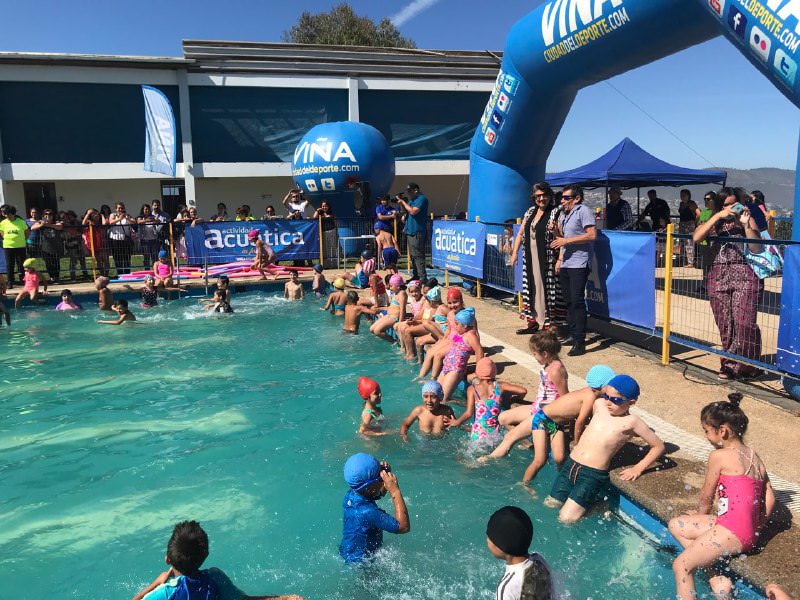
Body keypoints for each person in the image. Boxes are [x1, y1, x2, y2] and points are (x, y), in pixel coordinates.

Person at [669, 393, 775, 599]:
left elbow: (706, 496)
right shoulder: (754, 456)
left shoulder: (719, 456)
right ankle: (718, 580)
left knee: (681, 565)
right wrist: (758, 524)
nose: (706, 436)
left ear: (723, 431)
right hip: (745, 531)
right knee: (676, 524)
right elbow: (770, 495)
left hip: (730, 531)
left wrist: (700, 513)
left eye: (707, 431)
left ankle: (713, 574)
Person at [544, 374, 665, 523]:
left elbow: (658, 446)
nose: (608, 402)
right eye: (607, 396)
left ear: (631, 402)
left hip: (592, 474)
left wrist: (638, 468)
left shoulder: (632, 422)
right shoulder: (599, 404)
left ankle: (600, 505)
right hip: (571, 464)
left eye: (615, 400)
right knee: (550, 505)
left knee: (566, 519)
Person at [132, 520, 303, 600]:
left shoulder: (165, 593)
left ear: (167, 559)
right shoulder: (215, 577)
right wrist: (284, 598)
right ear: (205, 555)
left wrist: (155, 584)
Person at [693, 187, 764, 380]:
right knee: (725, 323)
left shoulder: (747, 218)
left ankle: (750, 366)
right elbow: (697, 237)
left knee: (744, 322)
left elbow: (757, 247)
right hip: (718, 275)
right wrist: (717, 217)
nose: (731, 207)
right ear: (719, 206)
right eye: (726, 204)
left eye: (735, 203)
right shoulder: (712, 220)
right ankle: (729, 364)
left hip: (745, 274)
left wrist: (746, 225)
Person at [486, 331, 568, 461]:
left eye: (534, 354)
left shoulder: (556, 371)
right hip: (538, 408)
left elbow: (565, 398)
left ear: (545, 354)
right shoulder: (548, 364)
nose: (534, 357)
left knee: (511, 436)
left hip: (548, 415)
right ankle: (529, 443)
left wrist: (564, 421)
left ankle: (488, 459)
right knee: (503, 418)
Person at [511, 183, 566, 335]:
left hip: (547, 259)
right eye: (538, 196)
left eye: (544, 195)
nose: (541, 199)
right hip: (529, 258)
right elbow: (521, 233)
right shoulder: (530, 212)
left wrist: (560, 258)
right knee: (531, 288)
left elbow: (561, 237)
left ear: (549, 195)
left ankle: (549, 324)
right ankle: (532, 322)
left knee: (547, 290)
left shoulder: (556, 213)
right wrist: (515, 253)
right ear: (534, 197)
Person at [551, 184, 597, 356]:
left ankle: (580, 341)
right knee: (569, 301)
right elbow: (562, 237)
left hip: (579, 263)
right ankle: (572, 333)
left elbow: (592, 235)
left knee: (577, 302)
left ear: (576, 198)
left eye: (566, 198)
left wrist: (566, 241)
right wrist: (555, 231)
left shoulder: (583, 211)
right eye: (562, 198)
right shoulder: (565, 214)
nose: (562, 201)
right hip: (566, 263)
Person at [339, 453, 410, 563]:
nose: (383, 478)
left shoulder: (352, 495)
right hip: (362, 561)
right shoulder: (367, 512)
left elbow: (376, 493)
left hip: (349, 550)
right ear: (369, 488)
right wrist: (395, 491)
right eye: (380, 477)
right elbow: (403, 527)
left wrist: (383, 475)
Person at [447, 357, 527, 444]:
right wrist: (516, 399)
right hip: (494, 434)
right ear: (494, 372)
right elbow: (523, 391)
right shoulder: (501, 386)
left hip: (477, 434)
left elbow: (469, 413)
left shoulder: (472, 389)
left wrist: (456, 422)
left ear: (477, 373)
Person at [486, 506, 554, 600]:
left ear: (501, 546)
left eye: (490, 537)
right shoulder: (539, 560)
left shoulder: (506, 587)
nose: (487, 540)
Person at [438, 306, 484, 401]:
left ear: (465, 325)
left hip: (455, 370)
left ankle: (465, 406)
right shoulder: (460, 334)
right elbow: (454, 345)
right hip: (447, 367)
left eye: (457, 324)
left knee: (444, 399)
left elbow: (479, 351)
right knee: (436, 393)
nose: (455, 326)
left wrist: (478, 371)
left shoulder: (471, 335)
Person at [396, 182, 429, 281]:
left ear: (416, 190)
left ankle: (422, 277)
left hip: (417, 232)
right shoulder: (412, 200)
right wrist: (401, 204)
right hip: (410, 231)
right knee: (413, 256)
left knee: (418, 255)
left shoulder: (421, 199)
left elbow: (413, 211)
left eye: (410, 191)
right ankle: (416, 275)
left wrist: (403, 202)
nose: (409, 194)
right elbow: (404, 212)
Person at [369, 273, 407, 341]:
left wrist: (400, 322)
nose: (390, 288)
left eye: (391, 286)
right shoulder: (396, 293)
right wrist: (382, 311)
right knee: (372, 328)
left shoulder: (402, 294)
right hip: (389, 315)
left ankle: (393, 342)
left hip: (394, 318)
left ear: (398, 286)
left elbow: (402, 309)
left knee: (377, 331)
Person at [0, 205, 30, 288]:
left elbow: (27, 232)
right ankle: (10, 282)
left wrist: (24, 240)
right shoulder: (3, 223)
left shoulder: (21, 222)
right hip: (8, 247)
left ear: (13, 214)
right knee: (10, 265)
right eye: (5, 214)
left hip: (20, 246)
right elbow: (2, 233)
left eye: (8, 214)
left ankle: (23, 280)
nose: (7, 216)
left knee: (22, 264)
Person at [31, 209, 63, 283]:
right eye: (46, 214)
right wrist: (42, 224)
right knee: (48, 263)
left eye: (50, 214)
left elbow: (59, 227)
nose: (48, 215)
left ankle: (57, 277)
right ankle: (52, 277)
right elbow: (32, 228)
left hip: (55, 246)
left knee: (56, 262)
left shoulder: (56, 222)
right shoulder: (40, 222)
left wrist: (48, 224)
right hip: (45, 246)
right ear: (43, 215)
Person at [107, 202, 135, 276]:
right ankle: (119, 274)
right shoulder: (113, 215)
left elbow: (134, 222)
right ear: (116, 209)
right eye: (119, 208)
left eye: (122, 208)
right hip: (115, 239)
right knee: (117, 257)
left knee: (127, 257)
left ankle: (127, 273)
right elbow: (111, 222)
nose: (120, 209)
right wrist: (119, 219)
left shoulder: (127, 215)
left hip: (125, 239)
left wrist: (127, 218)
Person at [82, 207, 110, 277]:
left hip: (103, 242)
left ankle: (106, 275)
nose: (94, 215)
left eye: (95, 213)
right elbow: (83, 223)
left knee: (106, 259)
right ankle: (102, 274)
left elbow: (104, 224)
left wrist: (102, 215)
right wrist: (88, 214)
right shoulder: (89, 222)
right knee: (99, 260)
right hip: (94, 244)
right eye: (92, 214)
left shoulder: (101, 221)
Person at [677, 189, 700, 267]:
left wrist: (694, 222)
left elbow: (698, 214)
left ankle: (690, 262)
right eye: (681, 195)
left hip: (689, 225)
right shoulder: (681, 204)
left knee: (689, 243)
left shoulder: (692, 204)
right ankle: (683, 260)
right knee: (682, 243)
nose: (682, 197)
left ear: (688, 196)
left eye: (684, 195)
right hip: (682, 224)